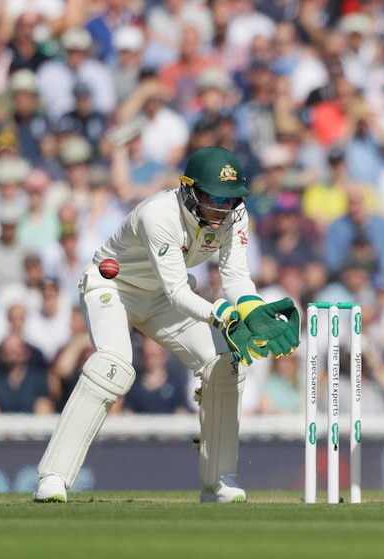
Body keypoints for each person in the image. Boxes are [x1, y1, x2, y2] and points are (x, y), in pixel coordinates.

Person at [32, 146, 300, 504]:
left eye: (230, 200)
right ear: (189, 190)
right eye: (212, 198)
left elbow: (236, 276)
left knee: (226, 363)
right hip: (112, 286)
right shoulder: (159, 214)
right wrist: (226, 316)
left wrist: (252, 311)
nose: (221, 209)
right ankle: (53, 477)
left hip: (159, 296)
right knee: (113, 366)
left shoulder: (235, 215)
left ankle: (218, 479)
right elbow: (177, 292)